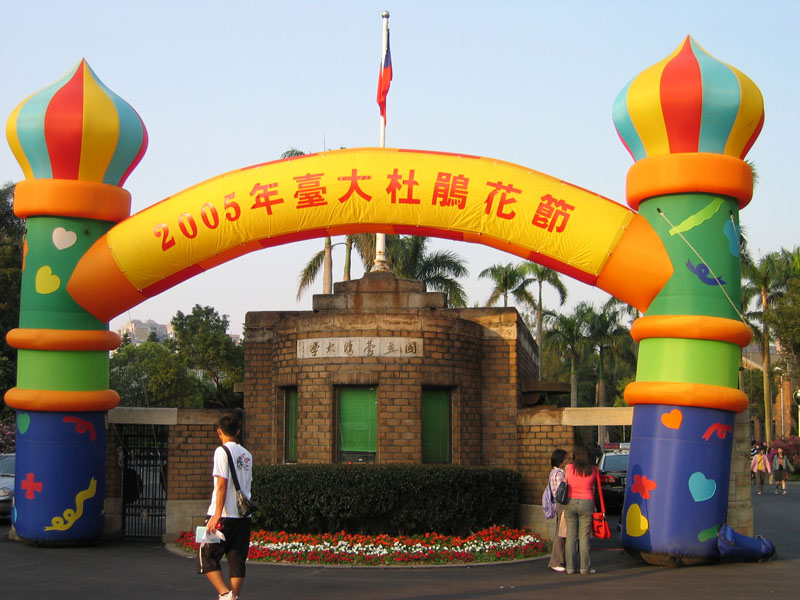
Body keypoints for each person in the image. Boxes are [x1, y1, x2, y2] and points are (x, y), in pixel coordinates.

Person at [197, 413, 254, 600]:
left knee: (206, 555)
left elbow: (221, 485)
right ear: (238, 432)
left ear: (219, 432)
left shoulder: (221, 451)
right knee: (237, 560)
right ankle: (234, 596)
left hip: (222, 515)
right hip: (243, 517)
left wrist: (216, 515)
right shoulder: (247, 455)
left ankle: (224, 594)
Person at [563, 444, 598, 575]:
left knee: (571, 536)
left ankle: (570, 568)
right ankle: (585, 568)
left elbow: (566, 482)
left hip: (570, 502)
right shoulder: (593, 470)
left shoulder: (568, 468)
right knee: (584, 537)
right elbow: (593, 488)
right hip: (586, 502)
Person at [547, 449, 568, 572]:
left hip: (558, 504)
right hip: (562, 504)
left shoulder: (554, 472)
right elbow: (563, 491)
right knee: (561, 533)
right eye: (565, 458)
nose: (567, 460)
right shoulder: (559, 474)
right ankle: (556, 560)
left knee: (561, 531)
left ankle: (559, 559)